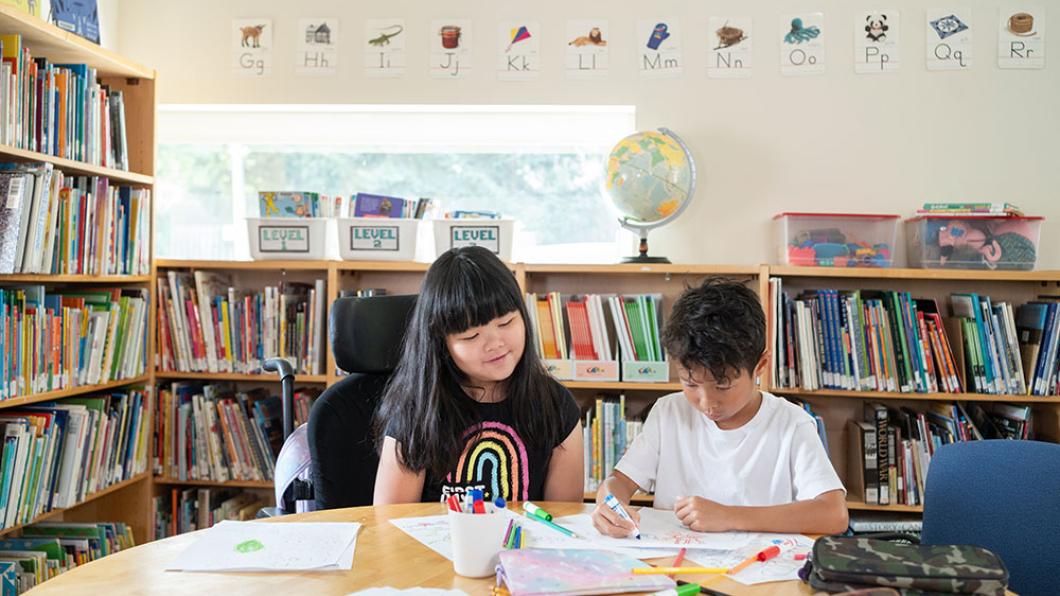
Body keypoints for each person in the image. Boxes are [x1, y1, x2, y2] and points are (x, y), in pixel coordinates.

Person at [592, 277, 848, 535]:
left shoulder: (791, 423)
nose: (706, 403)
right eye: (690, 384)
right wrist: (609, 504)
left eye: (722, 385)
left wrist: (729, 516)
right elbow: (618, 482)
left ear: (760, 366)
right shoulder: (668, 412)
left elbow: (833, 514)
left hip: (757, 568)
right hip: (673, 563)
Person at [373, 246, 584, 504]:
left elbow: (564, 521)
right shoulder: (417, 410)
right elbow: (390, 526)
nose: (495, 343)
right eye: (471, 336)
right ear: (442, 344)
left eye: (506, 322)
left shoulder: (556, 406)